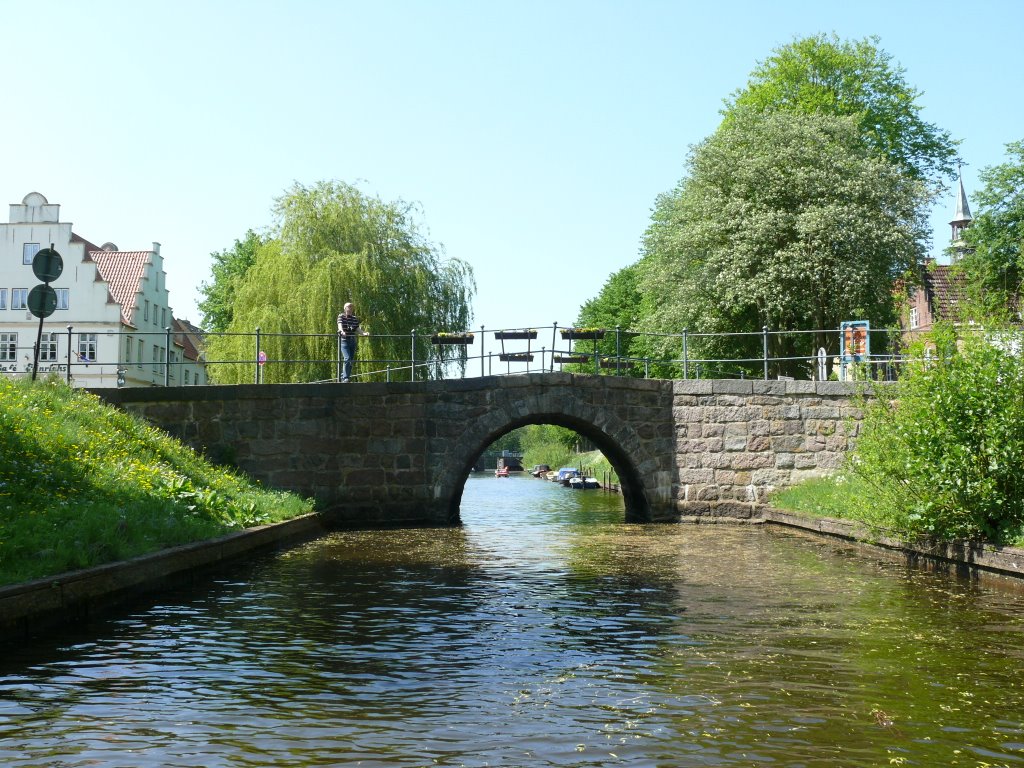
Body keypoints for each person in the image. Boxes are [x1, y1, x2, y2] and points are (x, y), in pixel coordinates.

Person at [337, 302, 367, 382]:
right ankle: (345, 377)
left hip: (352, 340)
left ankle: (345, 376)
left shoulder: (354, 318)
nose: (350, 308)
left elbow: (357, 329)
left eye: (351, 307)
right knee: (347, 358)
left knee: (351, 360)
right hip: (344, 341)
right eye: (348, 307)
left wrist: (363, 333)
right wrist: (342, 331)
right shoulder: (341, 316)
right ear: (345, 308)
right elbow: (339, 325)